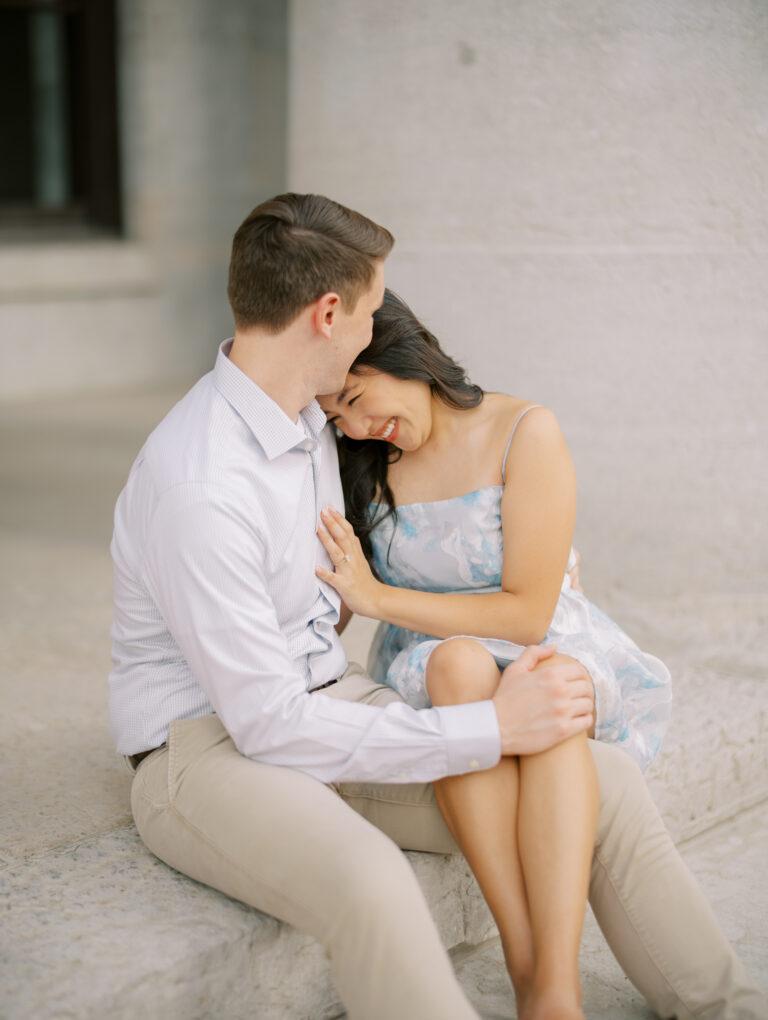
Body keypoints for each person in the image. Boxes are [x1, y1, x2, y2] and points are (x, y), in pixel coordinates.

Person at [109, 192, 766, 1020]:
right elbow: (266, 723)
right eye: (375, 308)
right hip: (210, 749)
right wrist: (490, 726)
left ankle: (720, 1007)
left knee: (605, 785)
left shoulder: (313, 426)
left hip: (329, 706)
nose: (383, 326)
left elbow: (324, 600)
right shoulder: (201, 483)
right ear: (329, 312)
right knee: (372, 879)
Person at [314, 287, 674, 1016]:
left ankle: (557, 985)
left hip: (537, 640)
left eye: (355, 397)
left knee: (546, 679)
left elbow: (529, 615)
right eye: (336, 417)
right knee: (457, 663)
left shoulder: (524, 430)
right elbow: (338, 591)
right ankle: (524, 959)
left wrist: (381, 600)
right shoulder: (362, 462)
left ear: (401, 352)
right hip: (434, 657)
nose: (355, 426)